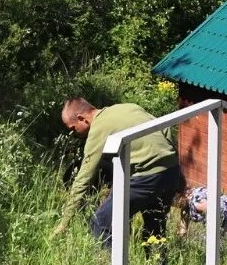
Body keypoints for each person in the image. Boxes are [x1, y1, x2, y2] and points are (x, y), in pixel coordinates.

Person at [54, 97, 186, 246]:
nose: (74, 132)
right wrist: (179, 176)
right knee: (154, 231)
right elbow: (165, 129)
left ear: (81, 118)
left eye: (73, 128)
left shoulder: (99, 128)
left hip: (147, 177)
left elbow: (84, 177)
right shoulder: (128, 107)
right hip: (170, 173)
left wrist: (64, 223)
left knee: (101, 223)